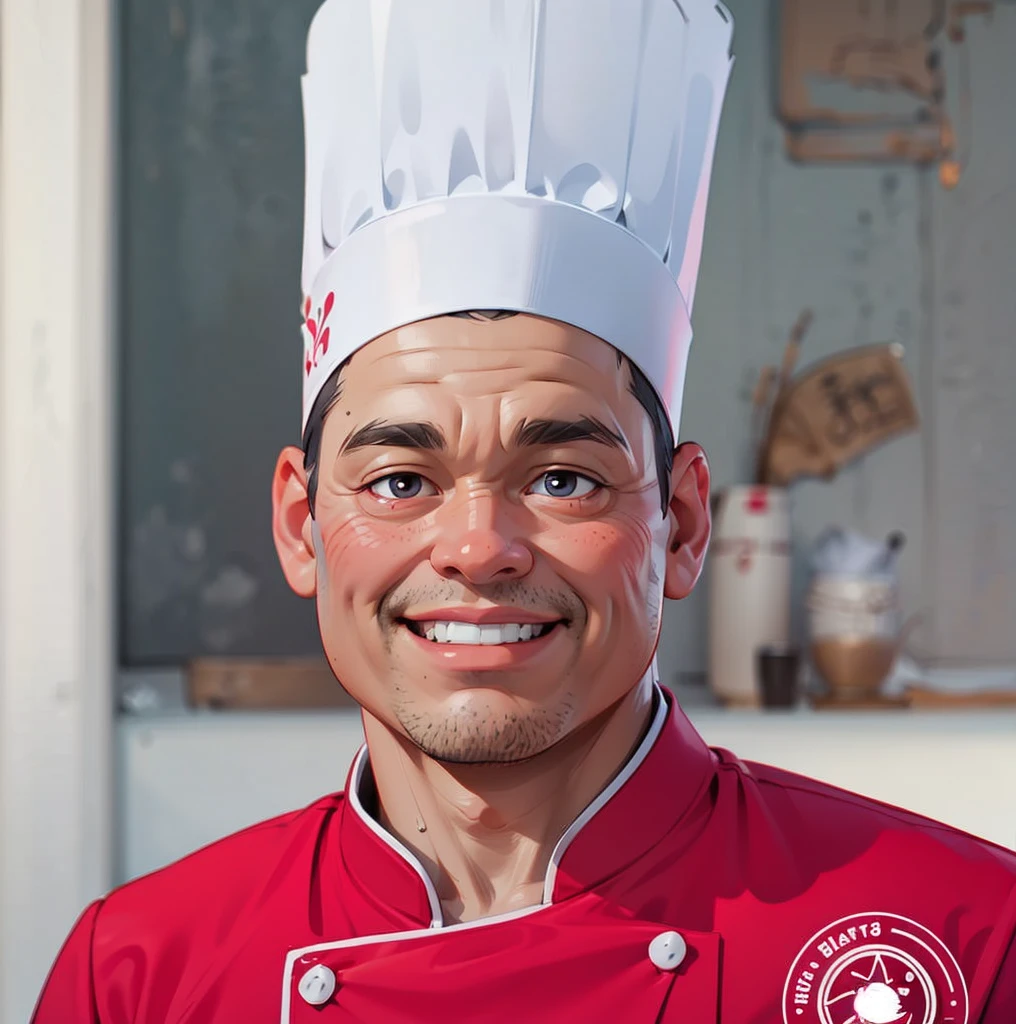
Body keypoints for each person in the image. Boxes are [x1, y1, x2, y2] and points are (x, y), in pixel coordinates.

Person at [34, 1, 1016, 1021]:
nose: (478, 548)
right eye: (400, 482)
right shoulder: (142, 976)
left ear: (680, 523)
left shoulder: (961, 944)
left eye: (561, 479)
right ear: (299, 525)